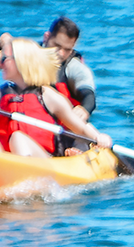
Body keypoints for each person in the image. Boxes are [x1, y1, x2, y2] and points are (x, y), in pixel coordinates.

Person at [0, 33, 111, 160]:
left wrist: (98, 137)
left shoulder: (47, 96)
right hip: (7, 161)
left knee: (18, 138)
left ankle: (24, 180)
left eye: (5, 59)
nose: (1, 63)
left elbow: (80, 127)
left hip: (42, 159)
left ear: (21, 62)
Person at [41, 16, 98, 152]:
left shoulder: (74, 67)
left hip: (68, 133)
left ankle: (76, 154)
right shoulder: (27, 56)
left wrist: (84, 109)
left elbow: (89, 96)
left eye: (67, 49)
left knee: (80, 140)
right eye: (57, 46)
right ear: (46, 37)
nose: (60, 53)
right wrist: (2, 43)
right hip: (36, 128)